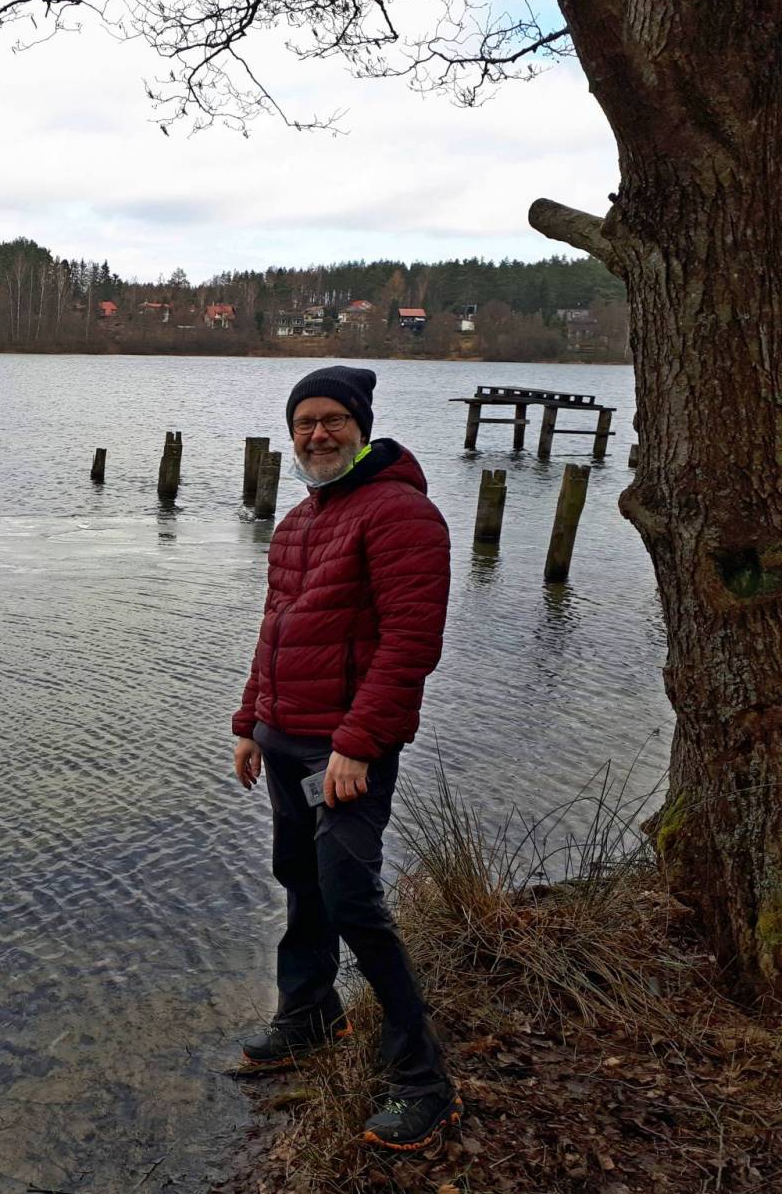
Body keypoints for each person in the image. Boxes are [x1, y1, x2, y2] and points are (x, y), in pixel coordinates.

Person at [228, 365, 459, 1151]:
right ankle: (309, 1014)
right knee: (301, 879)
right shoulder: (300, 519)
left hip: (344, 749)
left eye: (333, 420)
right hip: (284, 737)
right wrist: (249, 721)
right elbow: (276, 626)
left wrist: (357, 743)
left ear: (361, 427)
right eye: (305, 423)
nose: (318, 434)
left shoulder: (400, 514)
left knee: (350, 896)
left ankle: (422, 1079)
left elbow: (410, 644)